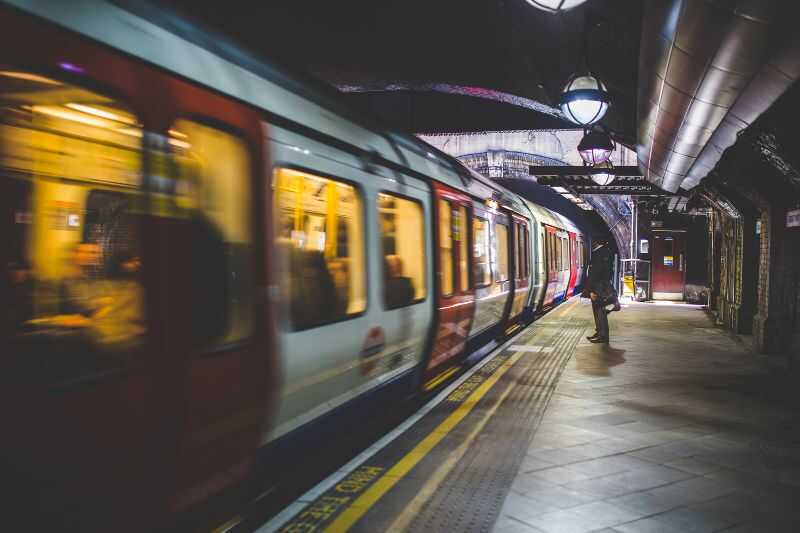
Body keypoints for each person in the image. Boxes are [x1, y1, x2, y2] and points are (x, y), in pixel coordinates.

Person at [583, 238, 614, 344]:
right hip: (603, 286)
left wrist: (591, 290)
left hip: (598, 288)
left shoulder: (598, 253)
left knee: (599, 311)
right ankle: (600, 332)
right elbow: (610, 271)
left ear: (596, 242)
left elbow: (594, 273)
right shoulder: (607, 252)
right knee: (601, 311)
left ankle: (602, 335)